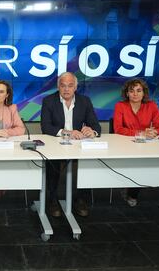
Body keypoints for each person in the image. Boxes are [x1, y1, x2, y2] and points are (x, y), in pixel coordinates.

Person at [41, 72, 101, 218]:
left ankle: (79, 199)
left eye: (70, 86)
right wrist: (66, 132)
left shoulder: (84, 101)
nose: (66, 89)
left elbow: (96, 126)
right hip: (56, 143)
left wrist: (91, 131)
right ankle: (53, 199)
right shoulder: (49, 101)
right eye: (63, 86)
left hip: (78, 145)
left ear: (75, 87)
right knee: (52, 163)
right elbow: (46, 127)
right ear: (58, 87)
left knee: (85, 164)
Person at [113, 78, 159, 207]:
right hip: (125, 145)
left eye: (138, 90)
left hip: (145, 146)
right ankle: (130, 191)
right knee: (135, 164)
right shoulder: (120, 106)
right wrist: (140, 133)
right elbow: (118, 129)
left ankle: (131, 193)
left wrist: (154, 131)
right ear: (127, 93)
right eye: (131, 91)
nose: (135, 94)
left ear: (144, 93)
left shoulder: (151, 105)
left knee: (144, 164)